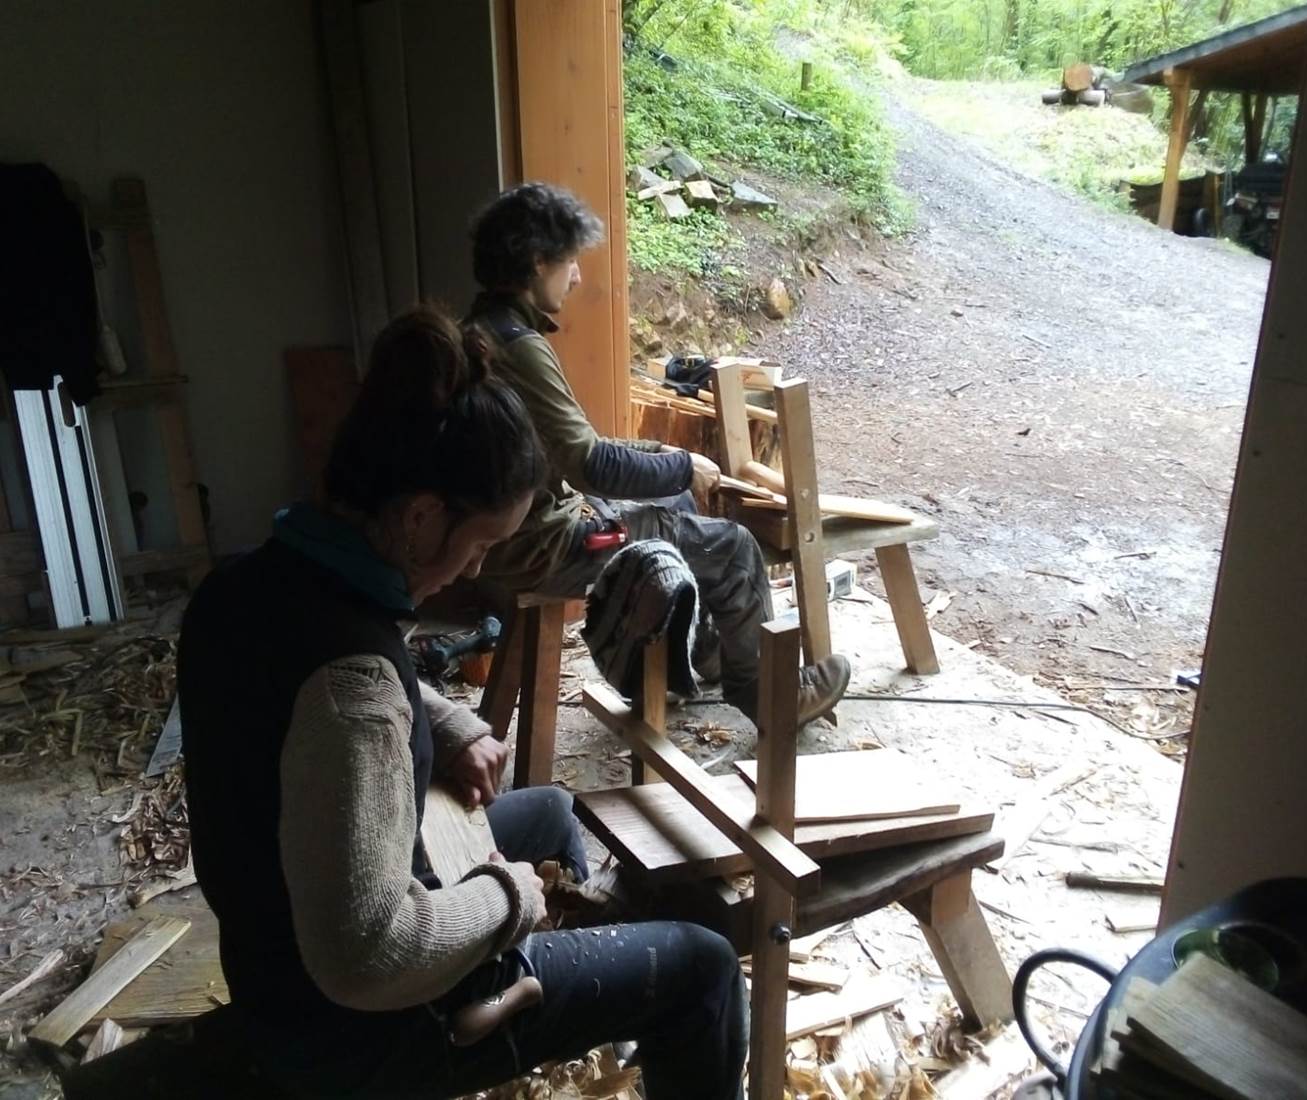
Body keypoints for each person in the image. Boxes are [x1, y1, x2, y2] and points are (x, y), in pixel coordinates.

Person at [177, 307, 747, 1099]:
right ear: (419, 519)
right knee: (703, 966)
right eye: (478, 546)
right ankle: (499, 996)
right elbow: (368, 954)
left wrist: (444, 723)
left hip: (274, 951)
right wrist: (509, 897)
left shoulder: (246, 583)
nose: (471, 568)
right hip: (352, 1033)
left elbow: (315, 693)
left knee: (549, 810)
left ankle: (530, 979)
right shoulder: (354, 697)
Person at [468, 181, 850, 725]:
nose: (577, 276)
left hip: (513, 533)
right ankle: (770, 696)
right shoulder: (521, 350)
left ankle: (709, 653)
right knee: (735, 548)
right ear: (536, 263)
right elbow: (589, 463)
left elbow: (571, 446)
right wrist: (681, 464)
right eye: (570, 261)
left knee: (681, 507)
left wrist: (663, 454)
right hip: (542, 545)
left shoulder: (481, 329)